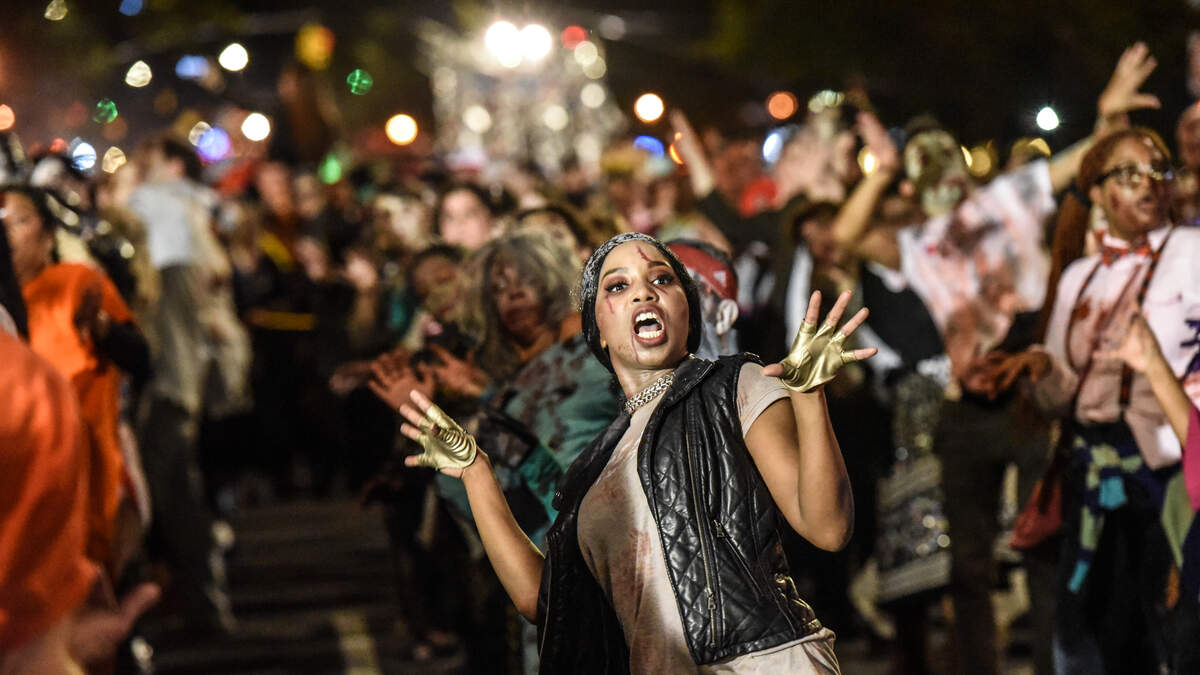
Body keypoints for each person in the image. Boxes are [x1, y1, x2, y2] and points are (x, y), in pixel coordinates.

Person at [385, 232, 875, 673]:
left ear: (687, 311)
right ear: (597, 326)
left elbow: (828, 528)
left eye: (662, 279)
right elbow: (543, 601)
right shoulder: (594, 468)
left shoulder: (734, 385)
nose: (643, 292)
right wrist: (476, 472)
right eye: (618, 286)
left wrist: (809, 398)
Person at [827, 43, 1160, 675]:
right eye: (919, 160)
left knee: (1041, 548)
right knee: (969, 566)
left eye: (941, 153)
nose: (935, 167)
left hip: (1028, 396)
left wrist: (1109, 111)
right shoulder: (917, 243)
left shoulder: (1006, 200)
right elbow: (844, 235)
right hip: (964, 410)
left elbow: (1085, 159)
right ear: (910, 179)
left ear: (961, 161)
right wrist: (879, 171)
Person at [992, 128, 1200, 673]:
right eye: (1128, 174)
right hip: (1093, 469)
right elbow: (1065, 394)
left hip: (1167, 470)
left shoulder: (1191, 250)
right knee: (1090, 626)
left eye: (1157, 169)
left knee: (1170, 627)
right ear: (1100, 193)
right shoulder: (1080, 276)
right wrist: (1042, 370)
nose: (1148, 183)